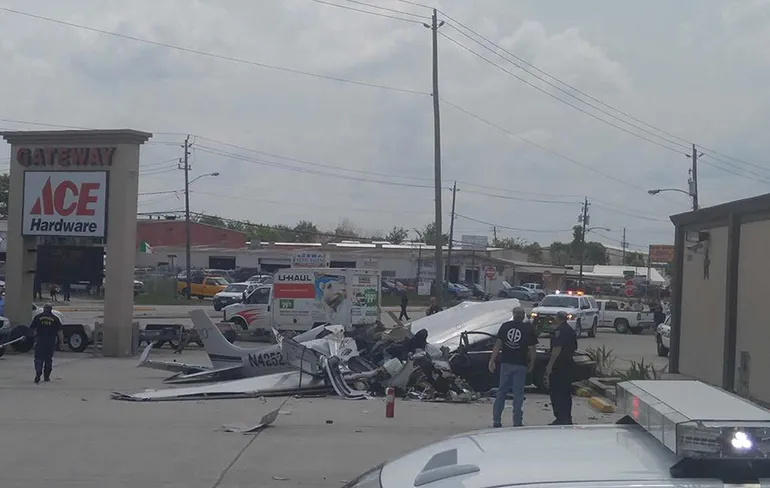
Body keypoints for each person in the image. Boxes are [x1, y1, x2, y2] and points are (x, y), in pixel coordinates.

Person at [488, 307, 538, 427]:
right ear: (523, 316)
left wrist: (492, 360)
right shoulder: (528, 328)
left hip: (506, 363)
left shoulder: (505, 326)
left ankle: (496, 420)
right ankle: (517, 422)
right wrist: (532, 363)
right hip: (521, 364)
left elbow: (498, 345)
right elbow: (532, 349)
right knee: (518, 394)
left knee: (502, 392)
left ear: (513, 315)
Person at [545, 311, 578, 425]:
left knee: (556, 392)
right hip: (568, 364)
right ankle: (567, 417)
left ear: (558, 318)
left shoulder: (560, 331)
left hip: (559, 365)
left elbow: (556, 349)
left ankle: (560, 417)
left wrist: (549, 366)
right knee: (566, 392)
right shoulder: (570, 330)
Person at [30, 304, 65, 384]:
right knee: (48, 359)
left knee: (38, 358)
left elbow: (33, 330)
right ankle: (46, 376)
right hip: (50, 341)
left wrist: (33, 339)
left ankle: (38, 372)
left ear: (44, 309)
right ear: (51, 310)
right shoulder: (55, 319)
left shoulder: (38, 317)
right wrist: (62, 342)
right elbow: (60, 332)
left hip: (40, 341)